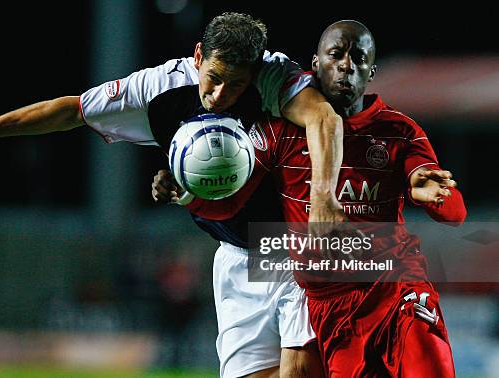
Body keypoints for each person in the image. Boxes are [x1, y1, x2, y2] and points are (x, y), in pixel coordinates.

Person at [0, 12, 339, 378]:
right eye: (214, 78)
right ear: (197, 57)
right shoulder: (160, 88)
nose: (221, 94)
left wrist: (323, 195)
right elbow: (73, 110)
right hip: (232, 254)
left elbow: (323, 118)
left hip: (292, 244)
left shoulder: (274, 77)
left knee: (301, 368)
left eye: (237, 84)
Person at [156, 20, 466, 376]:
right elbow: (230, 200)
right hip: (330, 305)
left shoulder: (398, 130)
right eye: (336, 55)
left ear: (371, 71)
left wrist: (432, 197)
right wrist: (187, 194)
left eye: (359, 58)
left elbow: (455, 214)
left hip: (396, 286)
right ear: (315, 65)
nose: (347, 65)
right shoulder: (280, 130)